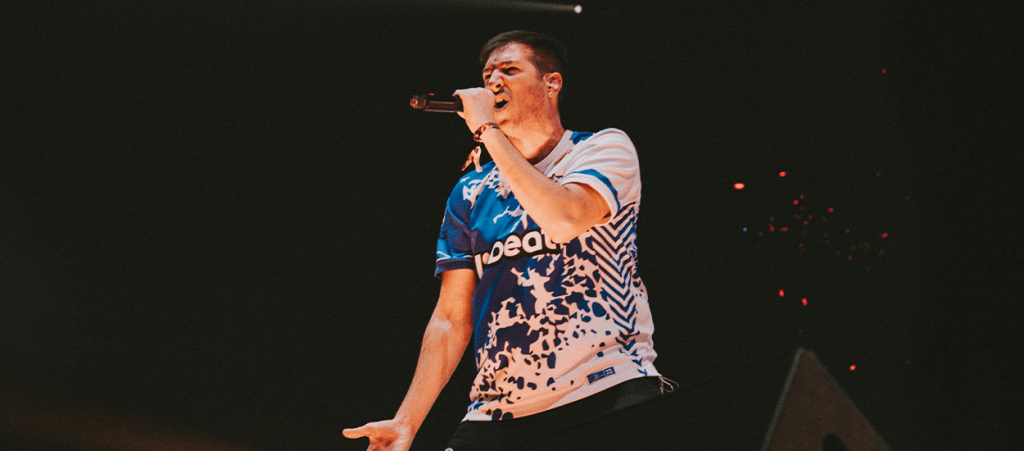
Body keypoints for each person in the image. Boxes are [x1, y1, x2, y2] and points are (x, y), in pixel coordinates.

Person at [344, 30, 670, 451]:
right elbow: (451, 317)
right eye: (487, 76)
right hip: (498, 412)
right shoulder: (471, 191)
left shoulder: (600, 149)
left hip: (607, 386)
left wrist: (486, 129)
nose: (493, 82)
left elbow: (565, 219)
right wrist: (406, 421)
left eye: (510, 70)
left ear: (551, 83)